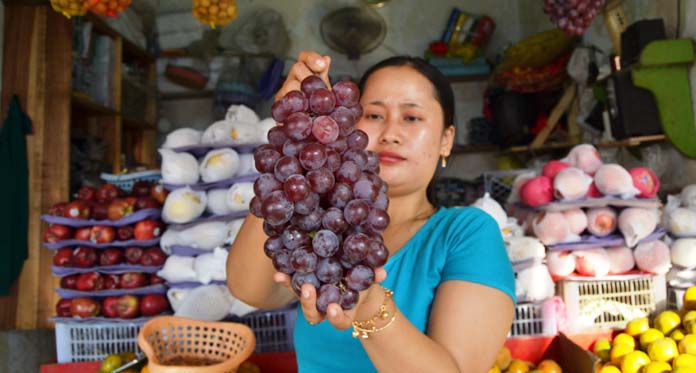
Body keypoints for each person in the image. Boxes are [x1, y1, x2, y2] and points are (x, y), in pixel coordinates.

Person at [227, 51, 515, 373]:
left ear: (446, 139)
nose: (390, 133)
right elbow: (250, 289)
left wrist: (367, 304)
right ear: (348, 124)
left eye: (412, 118)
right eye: (374, 115)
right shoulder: (322, 220)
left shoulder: (467, 233)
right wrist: (300, 141)